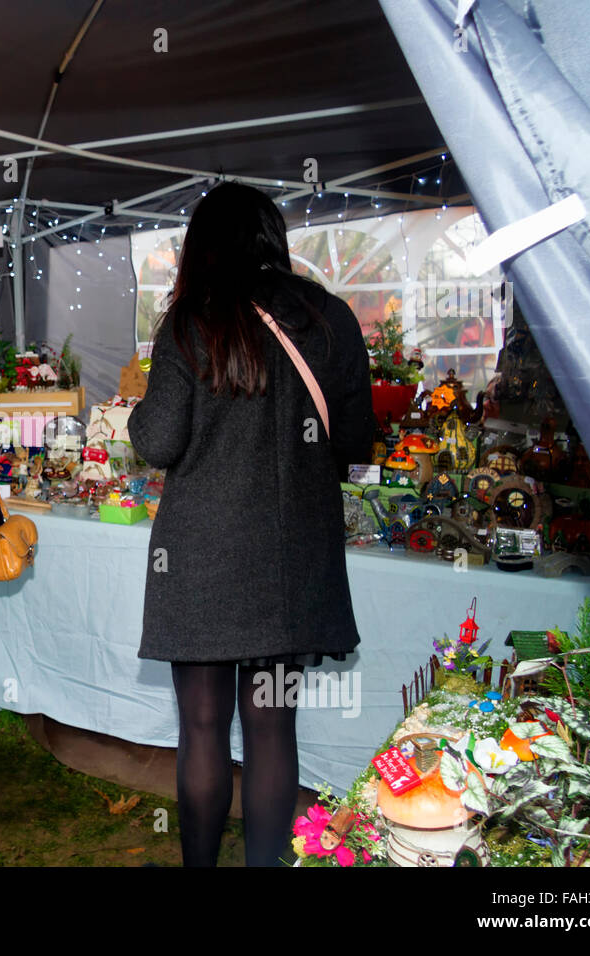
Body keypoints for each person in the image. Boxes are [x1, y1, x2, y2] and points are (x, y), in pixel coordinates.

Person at [128, 182, 375, 867]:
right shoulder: (329, 317)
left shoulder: (188, 322)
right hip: (291, 563)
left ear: (200, 246)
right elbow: (355, 438)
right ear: (272, 236)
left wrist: (135, 414)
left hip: (201, 559)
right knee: (272, 730)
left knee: (202, 728)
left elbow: (158, 441)